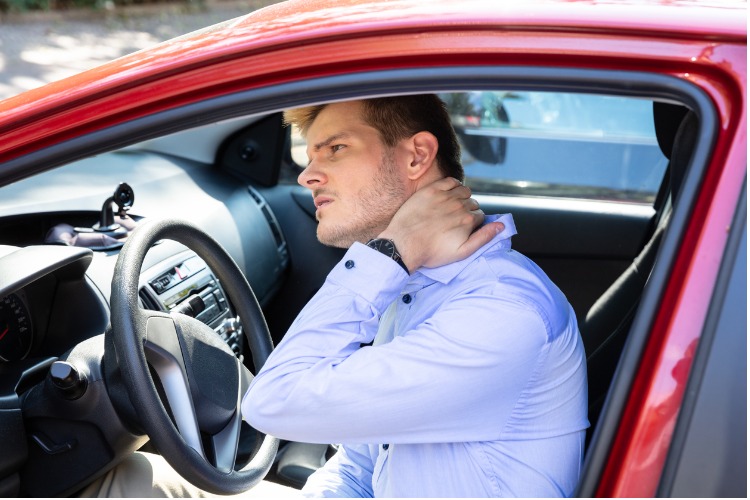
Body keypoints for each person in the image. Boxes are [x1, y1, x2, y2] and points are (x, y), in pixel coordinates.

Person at [242, 95, 589, 497]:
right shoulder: (419, 285)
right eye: (310, 156)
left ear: (417, 156)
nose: (307, 176)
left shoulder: (500, 312)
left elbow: (272, 401)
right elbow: (358, 467)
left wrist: (390, 252)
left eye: (335, 149)